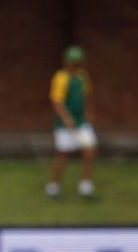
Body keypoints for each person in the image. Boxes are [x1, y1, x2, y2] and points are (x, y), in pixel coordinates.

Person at [46, 45, 97, 199]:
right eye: (72, 62)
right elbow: (57, 102)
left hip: (81, 123)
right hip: (64, 125)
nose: (74, 65)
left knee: (89, 150)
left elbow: (86, 96)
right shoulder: (60, 78)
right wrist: (66, 118)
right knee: (63, 154)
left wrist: (88, 113)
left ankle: (85, 188)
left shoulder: (82, 77)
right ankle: (53, 187)